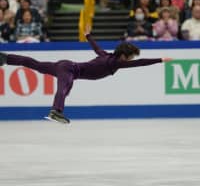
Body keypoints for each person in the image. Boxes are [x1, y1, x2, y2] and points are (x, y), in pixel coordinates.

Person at [0, 25, 172, 124]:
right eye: (130, 57)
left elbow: (96, 48)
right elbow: (140, 63)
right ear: (124, 56)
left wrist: (88, 35)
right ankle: (56, 111)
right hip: (69, 69)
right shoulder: (117, 63)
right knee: (64, 88)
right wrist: (160, 60)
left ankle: (7, 58)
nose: (131, 60)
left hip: (66, 66)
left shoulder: (106, 55)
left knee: (36, 65)